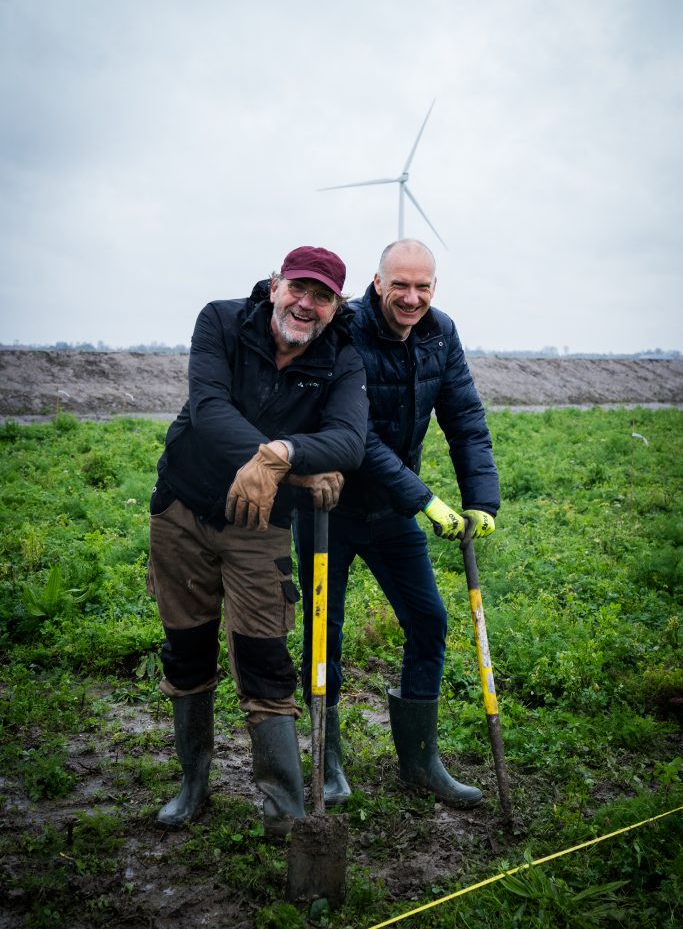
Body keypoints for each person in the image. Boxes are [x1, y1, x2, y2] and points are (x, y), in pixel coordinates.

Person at [147, 246, 368, 839]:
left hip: (259, 526)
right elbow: (208, 409)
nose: (306, 303)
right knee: (187, 648)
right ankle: (193, 786)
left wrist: (278, 457)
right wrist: (291, 463)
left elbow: (348, 440)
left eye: (322, 296)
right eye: (299, 288)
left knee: (266, 659)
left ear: (335, 306)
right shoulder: (219, 321)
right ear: (274, 285)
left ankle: (285, 812)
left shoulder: (342, 357)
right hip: (184, 508)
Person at [295, 238, 500, 809]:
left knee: (430, 622)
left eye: (423, 286)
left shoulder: (441, 333)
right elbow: (358, 434)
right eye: (401, 284)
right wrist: (426, 499)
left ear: (434, 288)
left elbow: (464, 417)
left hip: (391, 511)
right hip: (328, 507)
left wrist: (481, 498)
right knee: (322, 634)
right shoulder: (347, 329)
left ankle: (420, 760)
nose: (412, 297)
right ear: (378, 282)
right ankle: (328, 759)